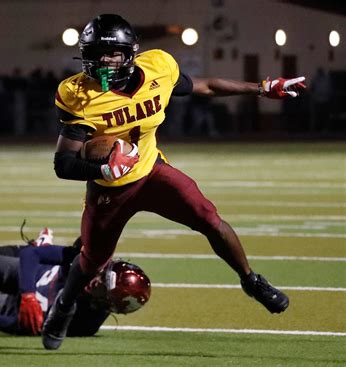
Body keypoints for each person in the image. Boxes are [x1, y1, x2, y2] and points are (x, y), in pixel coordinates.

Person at [43, 14, 307, 350]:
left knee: (209, 218)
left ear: (131, 54)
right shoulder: (77, 93)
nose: (103, 62)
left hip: (151, 171)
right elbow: (63, 163)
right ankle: (63, 307)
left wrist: (260, 89)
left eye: (112, 54)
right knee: (92, 258)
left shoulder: (158, 67)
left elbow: (204, 85)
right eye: (95, 54)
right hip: (108, 189)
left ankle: (251, 280)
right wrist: (103, 171)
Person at [0, 227, 151, 336]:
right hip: (29, 273)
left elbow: (23, 328)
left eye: (103, 288)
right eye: (103, 276)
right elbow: (31, 256)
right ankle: (43, 247)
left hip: (17, 308)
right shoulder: (89, 261)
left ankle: (41, 253)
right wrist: (27, 294)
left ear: (107, 304)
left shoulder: (84, 323)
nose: (96, 281)